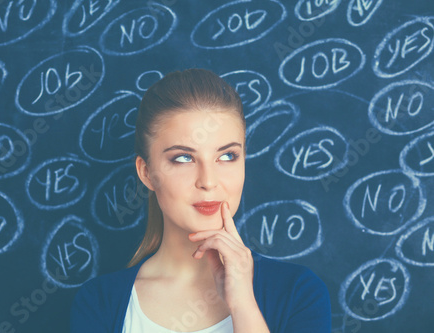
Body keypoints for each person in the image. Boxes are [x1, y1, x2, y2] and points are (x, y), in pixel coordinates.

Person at [70, 69, 331, 333]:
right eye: (183, 158)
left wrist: (242, 304)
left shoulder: (299, 293)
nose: (208, 181)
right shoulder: (99, 302)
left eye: (227, 156)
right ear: (147, 173)